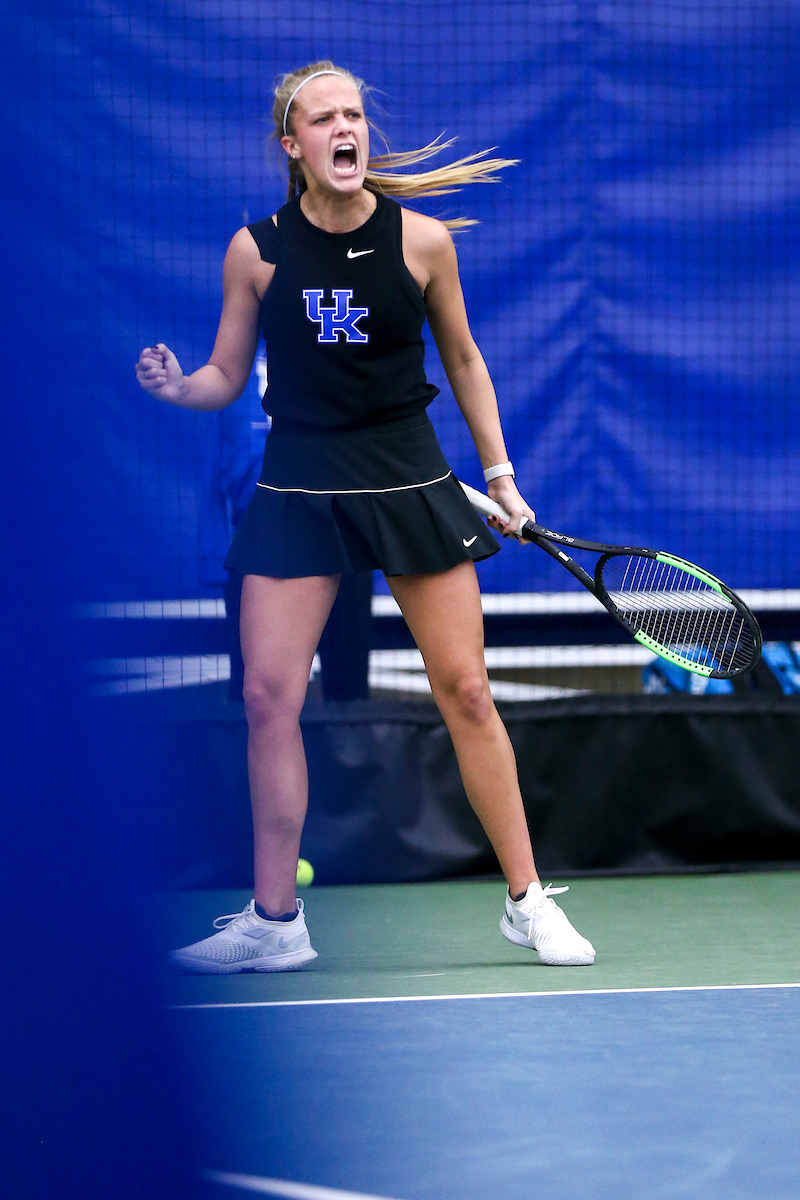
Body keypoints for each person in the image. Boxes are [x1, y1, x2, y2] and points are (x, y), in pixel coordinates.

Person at [135, 61, 595, 970]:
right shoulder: (255, 251)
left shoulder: (422, 242)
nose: (346, 129)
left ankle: (527, 900)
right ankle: (275, 923)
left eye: (354, 116)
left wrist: (501, 477)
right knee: (269, 697)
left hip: (409, 480)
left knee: (465, 690)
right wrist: (181, 386)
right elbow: (229, 376)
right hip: (299, 482)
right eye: (324, 119)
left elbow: (463, 361)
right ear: (292, 145)